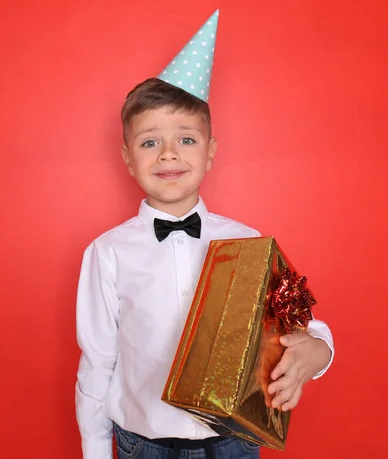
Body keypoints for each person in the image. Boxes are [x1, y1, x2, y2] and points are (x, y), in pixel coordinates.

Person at [75, 10, 333, 459]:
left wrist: (319, 352)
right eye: (150, 141)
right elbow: (98, 361)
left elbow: (300, 328)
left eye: (187, 140)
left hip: (232, 441)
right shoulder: (108, 253)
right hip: (143, 443)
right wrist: (95, 450)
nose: (169, 153)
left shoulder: (247, 242)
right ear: (127, 157)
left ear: (211, 152)